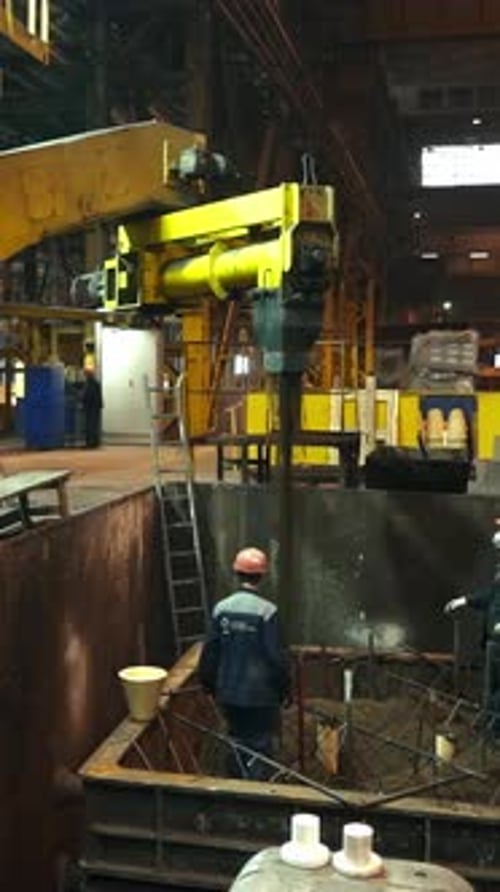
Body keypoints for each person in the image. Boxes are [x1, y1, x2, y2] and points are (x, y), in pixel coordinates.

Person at [198, 546, 291, 779]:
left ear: (236, 574)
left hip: (228, 693)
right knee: (260, 744)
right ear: (262, 576)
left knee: (236, 740)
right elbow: (276, 658)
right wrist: (284, 690)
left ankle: (236, 785)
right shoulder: (268, 612)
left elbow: (210, 652)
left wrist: (208, 685)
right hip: (261, 696)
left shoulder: (222, 609)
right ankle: (257, 792)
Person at [444, 521, 500, 737]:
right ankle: (490, 728)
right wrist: (465, 600)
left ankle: (494, 734)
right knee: (491, 688)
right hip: (493, 645)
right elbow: (490, 596)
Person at [81, 369, 103, 448]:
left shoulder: (89, 384)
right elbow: (99, 396)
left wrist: (82, 401)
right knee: (94, 425)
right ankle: (95, 442)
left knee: (90, 425)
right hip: (95, 407)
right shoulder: (96, 383)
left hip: (90, 407)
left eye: (85, 375)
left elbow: (87, 395)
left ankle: (90, 443)